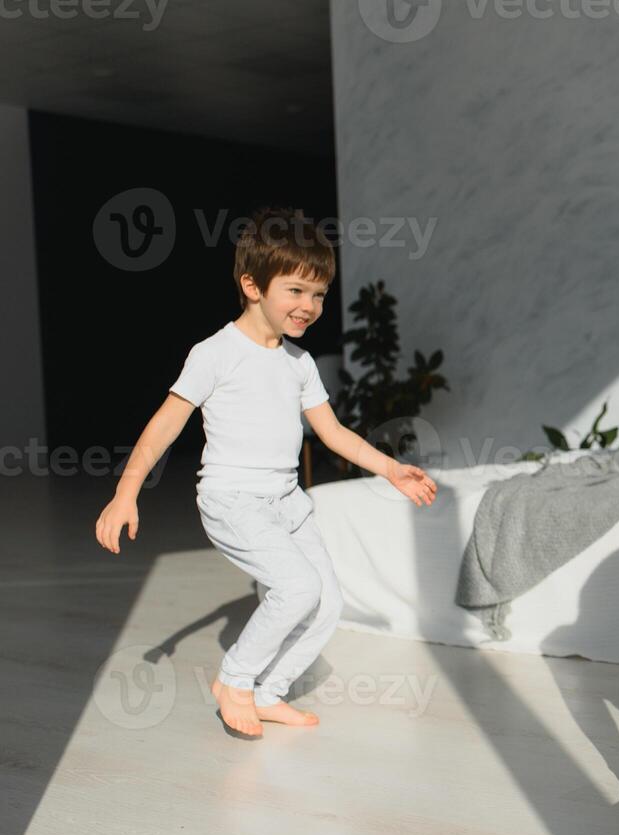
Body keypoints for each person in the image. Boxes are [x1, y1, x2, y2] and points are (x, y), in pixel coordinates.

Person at [94, 206, 438, 738]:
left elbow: (334, 433)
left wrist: (392, 470)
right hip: (234, 501)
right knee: (297, 587)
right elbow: (163, 426)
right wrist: (125, 493)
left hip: (287, 503)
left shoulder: (298, 363)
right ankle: (234, 680)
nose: (310, 306)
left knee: (327, 604)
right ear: (253, 285)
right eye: (297, 291)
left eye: (319, 294)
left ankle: (267, 692)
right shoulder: (215, 353)